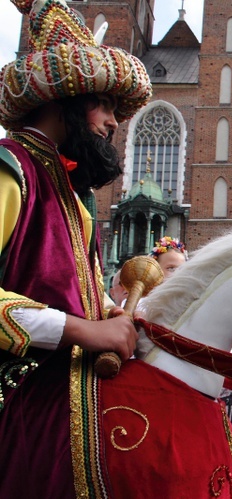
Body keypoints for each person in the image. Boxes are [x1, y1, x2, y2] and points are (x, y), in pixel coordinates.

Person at [0, 0, 151, 495]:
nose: (113, 123)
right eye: (104, 106)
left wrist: (118, 316)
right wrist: (84, 329)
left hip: (60, 429)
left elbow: (76, 292)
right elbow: (74, 318)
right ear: (63, 102)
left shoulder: (73, 200)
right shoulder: (11, 170)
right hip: (13, 428)